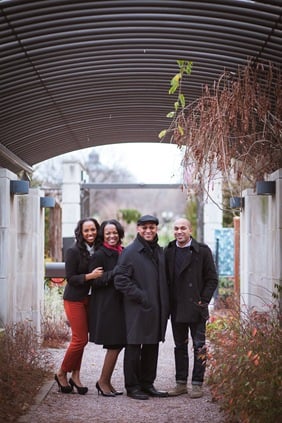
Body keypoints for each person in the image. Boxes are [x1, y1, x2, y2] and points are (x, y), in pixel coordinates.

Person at [114, 214, 170, 400]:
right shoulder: (130, 252)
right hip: (137, 309)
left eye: (152, 227)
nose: (148, 231)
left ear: (156, 229)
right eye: (144, 227)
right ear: (138, 229)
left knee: (151, 347)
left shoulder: (159, 251)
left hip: (156, 309)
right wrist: (142, 296)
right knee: (134, 348)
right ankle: (132, 387)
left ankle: (147, 384)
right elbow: (120, 280)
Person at [165, 217, 218, 398]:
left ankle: (197, 384)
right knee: (179, 346)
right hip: (177, 307)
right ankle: (180, 384)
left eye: (183, 228)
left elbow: (212, 279)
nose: (179, 231)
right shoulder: (169, 251)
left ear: (190, 230)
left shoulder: (202, 251)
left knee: (199, 346)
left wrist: (203, 300)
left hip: (197, 308)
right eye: (176, 228)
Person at [55, 217, 103, 395]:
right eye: (86, 230)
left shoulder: (99, 249)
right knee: (79, 339)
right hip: (74, 299)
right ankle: (61, 372)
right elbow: (71, 278)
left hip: (90, 300)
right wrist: (90, 276)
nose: (90, 233)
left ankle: (75, 376)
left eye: (93, 230)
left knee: (82, 340)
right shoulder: (73, 251)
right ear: (81, 233)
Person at [88, 219, 126, 397]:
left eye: (115, 232)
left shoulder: (123, 252)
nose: (112, 236)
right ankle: (102, 381)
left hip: (120, 304)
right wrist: (115, 272)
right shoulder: (100, 254)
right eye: (108, 233)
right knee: (115, 343)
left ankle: (106, 381)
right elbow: (95, 281)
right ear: (103, 235)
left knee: (118, 343)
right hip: (106, 305)